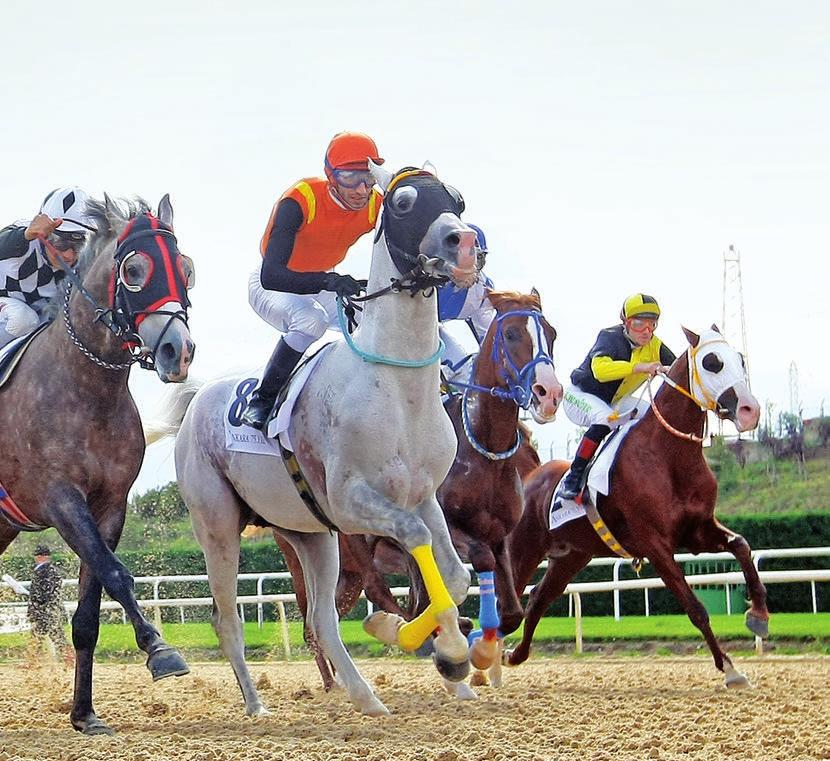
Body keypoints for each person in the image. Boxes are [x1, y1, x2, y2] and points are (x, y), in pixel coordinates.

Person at [242, 132, 384, 430]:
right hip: (273, 285)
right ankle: (263, 399)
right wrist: (329, 280)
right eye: (349, 178)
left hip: (320, 284)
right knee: (311, 322)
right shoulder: (301, 199)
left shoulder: (376, 204)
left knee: (378, 317)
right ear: (331, 176)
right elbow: (272, 275)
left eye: (368, 178)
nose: (361, 190)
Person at [559, 293, 677, 500]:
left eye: (652, 325)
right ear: (626, 322)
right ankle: (573, 477)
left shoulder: (655, 344)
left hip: (615, 401)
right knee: (606, 418)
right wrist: (641, 367)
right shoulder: (609, 336)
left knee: (653, 416)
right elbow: (600, 370)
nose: (646, 331)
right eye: (640, 324)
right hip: (581, 396)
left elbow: (677, 369)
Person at [0, 186, 94, 348]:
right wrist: (24, 235)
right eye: (62, 242)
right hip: (9, 307)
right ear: (43, 233)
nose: (69, 255)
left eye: (79, 245)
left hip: (40, 315)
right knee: (22, 318)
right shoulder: (22, 234)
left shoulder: (86, 263)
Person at [437, 223, 496, 385]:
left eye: (477, 258)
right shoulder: (431, 274)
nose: (471, 266)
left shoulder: (483, 289)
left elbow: (486, 336)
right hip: (397, 322)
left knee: (464, 372)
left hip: (432, 330)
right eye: (465, 258)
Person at [27, 544, 72, 664]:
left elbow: (44, 593)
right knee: (54, 635)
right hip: (50, 609)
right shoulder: (52, 570)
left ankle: (33, 662)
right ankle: (69, 659)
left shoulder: (43, 571)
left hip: (43, 610)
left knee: (40, 636)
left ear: (40, 557)